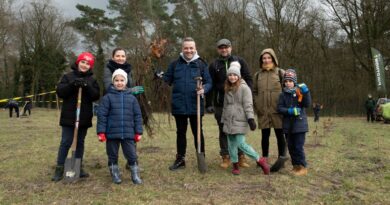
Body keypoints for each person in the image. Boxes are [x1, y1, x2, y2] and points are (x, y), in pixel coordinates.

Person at [158, 37, 212, 171]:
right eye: (186, 48)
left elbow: (209, 82)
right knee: (180, 133)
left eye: (191, 48)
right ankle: (180, 159)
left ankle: (202, 158)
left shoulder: (201, 64)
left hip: (196, 105)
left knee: (198, 132)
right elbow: (167, 80)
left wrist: (204, 89)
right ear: (182, 49)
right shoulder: (175, 64)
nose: (188, 50)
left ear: (195, 49)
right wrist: (160, 75)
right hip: (179, 104)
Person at [51, 52, 100, 182]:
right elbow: (60, 92)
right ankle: (59, 168)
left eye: (88, 63)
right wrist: (73, 85)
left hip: (83, 117)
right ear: (78, 62)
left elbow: (96, 95)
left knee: (80, 143)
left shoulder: (92, 80)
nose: (85, 65)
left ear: (90, 66)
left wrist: (87, 86)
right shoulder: (68, 77)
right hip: (69, 116)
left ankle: (78, 166)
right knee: (66, 141)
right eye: (83, 62)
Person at [206, 38, 253, 169]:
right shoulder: (214, 65)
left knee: (238, 131)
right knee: (223, 130)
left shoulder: (240, 61)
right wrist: (208, 103)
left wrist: (248, 97)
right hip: (221, 104)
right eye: (221, 47)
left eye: (226, 47)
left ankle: (241, 157)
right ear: (218, 50)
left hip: (238, 105)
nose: (224, 49)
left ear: (230, 48)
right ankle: (225, 157)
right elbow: (210, 85)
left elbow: (248, 79)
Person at [221, 62, 269, 175]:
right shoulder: (227, 88)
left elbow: (248, 105)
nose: (232, 77)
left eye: (234, 75)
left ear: (239, 76)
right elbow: (225, 105)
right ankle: (235, 165)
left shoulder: (244, 88)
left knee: (241, 144)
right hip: (229, 121)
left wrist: (251, 119)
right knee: (231, 145)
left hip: (240, 120)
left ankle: (260, 160)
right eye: (230, 75)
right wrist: (223, 119)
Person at [97, 69, 143, 184]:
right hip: (112, 133)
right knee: (112, 155)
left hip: (128, 133)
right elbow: (102, 115)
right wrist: (101, 132)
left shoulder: (132, 98)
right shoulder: (107, 98)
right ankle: (115, 173)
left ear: (126, 82)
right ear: (113, 82)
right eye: (116, 80)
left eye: (122, 80)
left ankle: (135, 174)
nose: (119, 83)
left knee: (132, 155)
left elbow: (137, 116)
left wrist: (138, 132)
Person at [253, 48, 286, 173]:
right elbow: (255, 92)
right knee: (264, 136)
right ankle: (264, 159)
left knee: (280, 135)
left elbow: (288, 89)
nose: (266, 60)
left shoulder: (280, 73)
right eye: (264, 58)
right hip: (263, 111)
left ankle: (281, 159)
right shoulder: (257, 75)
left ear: (273, 59)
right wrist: (257, 105)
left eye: (268, 58)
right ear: (261, 60)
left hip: (278, 111)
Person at [277, 69, 311, 176]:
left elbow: (307, 104)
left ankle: (302, 166)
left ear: (294, 82)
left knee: (298, 146)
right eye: (286, 81)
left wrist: (306, 92)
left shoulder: (299, 92)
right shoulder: (282, 95)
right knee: (291, 146)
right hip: (288, 125)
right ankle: (295, 166)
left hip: (300, 125)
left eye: (290, 81)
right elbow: (279, 108)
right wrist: (289, 111)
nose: (288, 83)